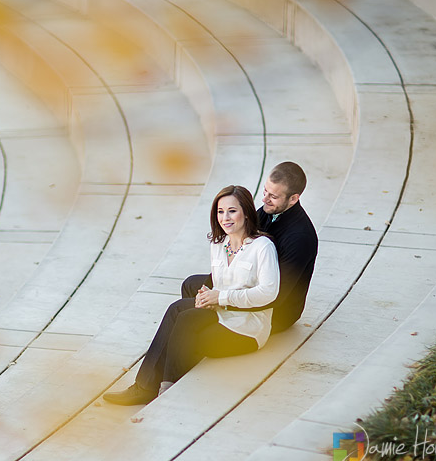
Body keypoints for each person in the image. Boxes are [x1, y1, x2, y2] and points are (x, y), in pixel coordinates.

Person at [104, 185, 279, 406]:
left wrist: (220, 297)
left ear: (246, 212)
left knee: (186, 323)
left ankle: (165, 391)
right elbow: (221, 283)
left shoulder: (262, 247)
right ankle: (145, 387)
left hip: (248, 327)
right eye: (220, 211)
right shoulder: (219, 243)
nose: (225, 218)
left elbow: (269, 293)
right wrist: (208, 295)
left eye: (232, 211)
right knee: (177, 309)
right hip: (222, 313)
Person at [181, 161, 318, 334]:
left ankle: (205, 330)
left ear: (293, 199)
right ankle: (196, 327)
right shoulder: (269, 211)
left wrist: (220, 299)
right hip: (247, 285)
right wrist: (210, 291)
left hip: (276, 311)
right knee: (192, 285)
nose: (265, 199)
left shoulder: (300, 238)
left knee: (204, 300)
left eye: (273, 196)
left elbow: (276, 294)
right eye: (265, 191)